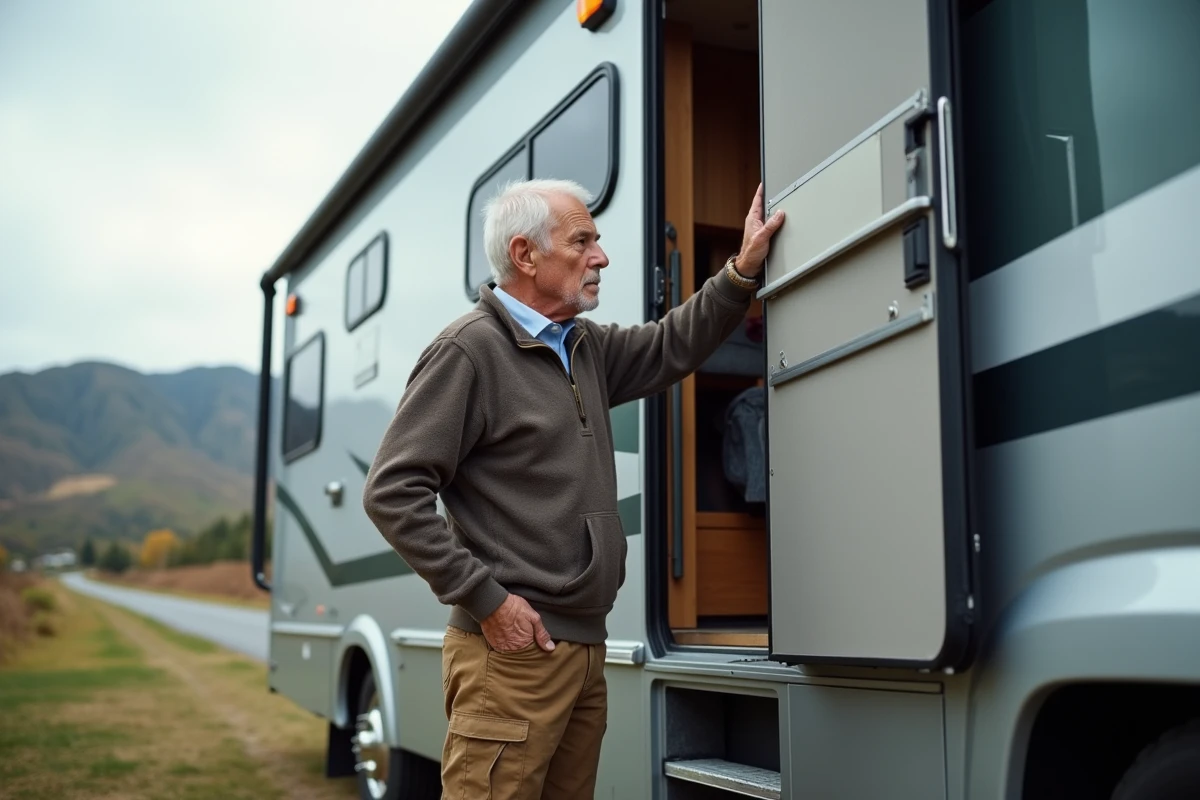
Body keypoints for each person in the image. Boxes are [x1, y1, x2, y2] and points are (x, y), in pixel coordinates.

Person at [362, 178, 785, 799]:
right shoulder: (469, 352)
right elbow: (392, 490)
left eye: (597, 241)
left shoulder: (583, 346)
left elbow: (672, 344)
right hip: (510, 655)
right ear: (526, 255)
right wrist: (488, 600)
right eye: (582, 240)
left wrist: (741, 272)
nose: (600, 257)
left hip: (584, 650)